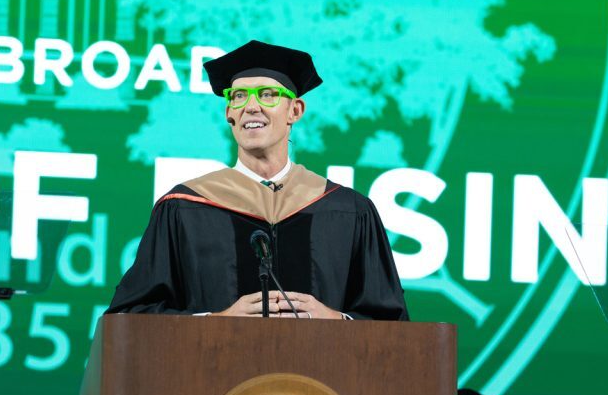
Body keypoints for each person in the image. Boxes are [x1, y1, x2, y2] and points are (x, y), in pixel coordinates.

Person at [107, 40, 408, 320]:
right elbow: (130, 316)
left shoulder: (349, 211)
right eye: (239, 96)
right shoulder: (184, 207)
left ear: (295, 110)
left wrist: (335, 320)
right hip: (214, 375)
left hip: (321, 376)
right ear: (230, 114)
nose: (252, 106)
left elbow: (392, 324)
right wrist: (216, 321)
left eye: (267, 94)